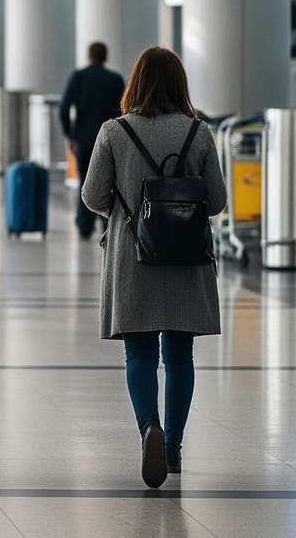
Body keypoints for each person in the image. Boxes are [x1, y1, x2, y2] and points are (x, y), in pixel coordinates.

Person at [79, 46, 226, 489]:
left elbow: (91, 197)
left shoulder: (114, 131)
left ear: (136, 82)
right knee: (180, 354)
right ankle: (175, 446)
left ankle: (150, 429)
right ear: (180, 84)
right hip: (186, 256)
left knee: (138, 353)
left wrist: (127, 206)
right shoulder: (198, 132)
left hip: (133, 256)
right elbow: (216, 202)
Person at [60, 41, 128, 240]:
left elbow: (64, 107)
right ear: (105, 57)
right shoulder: (115, 79)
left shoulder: (78, 77)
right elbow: (124, 109)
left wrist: (69, 134)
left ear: (89, 56)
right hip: (111, 137)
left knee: (85, 179)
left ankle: (84, 224)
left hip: (84, 137)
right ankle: (107, 222)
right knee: (111, 180)